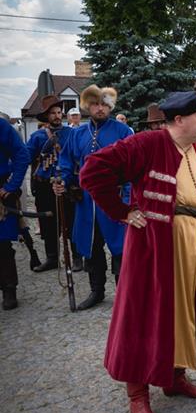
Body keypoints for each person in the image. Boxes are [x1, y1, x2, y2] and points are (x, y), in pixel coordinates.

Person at [79, 90, 196, 413]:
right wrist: (122, 211)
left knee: (184, 310)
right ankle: (138, 395)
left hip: (193, 244)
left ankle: (174, 377)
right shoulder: (147, 144)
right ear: (179, 120)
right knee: (144, 315)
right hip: (154, 247)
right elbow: (93, 170)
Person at [54, 85, 133, 310]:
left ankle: (124, 294)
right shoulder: (77, 134)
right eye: (96, 104)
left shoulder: (122, 131)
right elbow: (66, 162)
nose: (100, 109)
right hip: (87, 201)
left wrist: (127, 199)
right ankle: (96, 291)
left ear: (110, 107)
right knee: (91, 245)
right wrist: (62, 181)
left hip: (115, 198)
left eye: (104, 105)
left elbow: (133, 166)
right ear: (87, 106)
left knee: (120, 247)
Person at [25, 94, 81, 272]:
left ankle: (77, 257)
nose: (57, 116)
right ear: (46, 116)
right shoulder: (37, 137)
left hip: (68, 185)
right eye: (53, 113)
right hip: (45, 187)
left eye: (58, 112)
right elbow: (24, 157)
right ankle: (52, 258)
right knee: (48, 224)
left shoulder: (72, 133)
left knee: (72, 222)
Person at [0, 116, 31, 310]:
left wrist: (12, 185)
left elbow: (22, 154)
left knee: (2, 245)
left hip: (0, 192)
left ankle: (9, 288)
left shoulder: (1, 126)